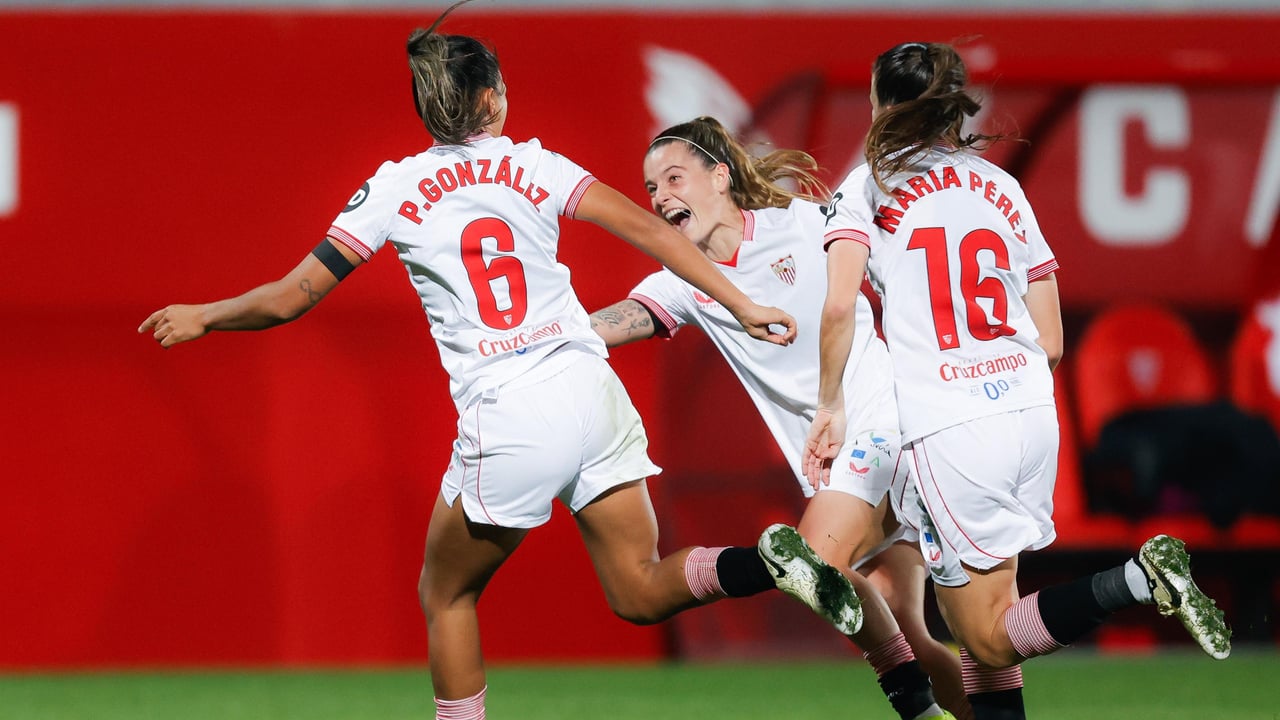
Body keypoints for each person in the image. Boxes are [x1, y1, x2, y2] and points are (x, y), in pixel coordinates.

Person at [137, 4, 864, 719]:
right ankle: (768, 564)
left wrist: (207, 314)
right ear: (491, 100)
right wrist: (741, 303)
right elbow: (652, 233)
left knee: (445, 593)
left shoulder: (394, 188)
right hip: (591, 389)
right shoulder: (535, 165)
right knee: (639, 591)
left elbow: (292, 297)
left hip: (513, 408)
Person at [805, 41, 1231, 720]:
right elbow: (1051, 341)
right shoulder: (1001, 187)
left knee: (985, 637)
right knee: (991, 621)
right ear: (955, 108)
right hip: (1031, 414)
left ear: (880, 104)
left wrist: (830, 405)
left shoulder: (866, 186)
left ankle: (1136, 579)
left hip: (951, 425)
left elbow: (837, 308)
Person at [590, 115, 966, 720]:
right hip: (827, 463)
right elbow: (610, 325)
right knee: (907, 631)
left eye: (674, 178)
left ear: (720, 177)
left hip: (883, 423)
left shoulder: (804, 224)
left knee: (813, 563)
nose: (660, 197)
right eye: (652, 188)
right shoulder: (684, 282)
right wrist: (538, 335)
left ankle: (917, 708)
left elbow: (901, 268)